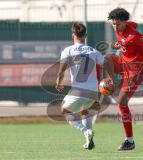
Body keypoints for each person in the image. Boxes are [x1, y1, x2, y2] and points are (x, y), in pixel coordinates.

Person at [106, 8, 143, 151]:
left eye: (117, 24)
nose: (115, 26)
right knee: (106, 59)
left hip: (137, 69)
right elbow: (133, 24)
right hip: (124, 62)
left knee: (121, 101)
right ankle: (111, 83)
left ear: (124, 22)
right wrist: (117, 44)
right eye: (113, 24)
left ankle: (129, 141)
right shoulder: (122, 26)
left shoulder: (133, 37)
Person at [55, 22, 108, 150]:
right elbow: (106, 63)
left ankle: (85, 131)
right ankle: (89, 141)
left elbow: (61, 70)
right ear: (86, 35)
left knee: (64, 110)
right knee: (86, 112)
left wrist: (58, 80)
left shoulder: (68, 50)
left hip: (79, 90)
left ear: (73, 34)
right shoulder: (93, 51)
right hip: (94, 91)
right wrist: (108, 79)